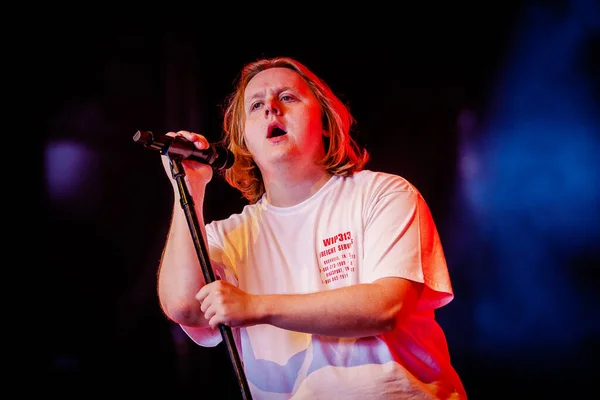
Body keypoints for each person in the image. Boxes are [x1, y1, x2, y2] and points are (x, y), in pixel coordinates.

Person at [156, 56, 468, 399]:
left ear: (324, 121)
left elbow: (385, 307)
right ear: (243, 139)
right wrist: (188, 188)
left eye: (287, 97)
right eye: (256, 105)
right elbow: (184, 306)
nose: (271, 109)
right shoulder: (227, 236)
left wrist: (255, 306)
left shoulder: (383, 193)